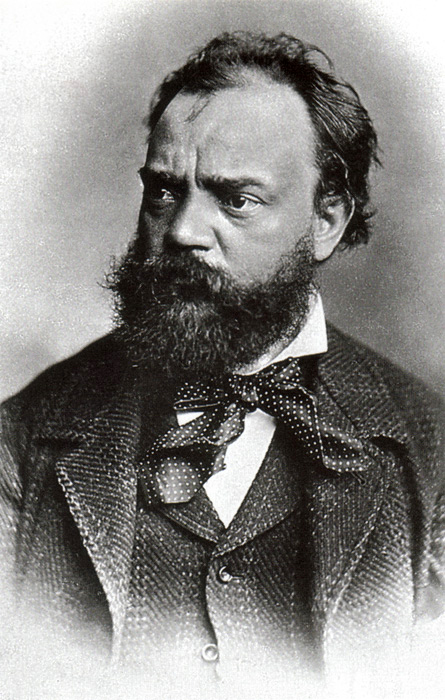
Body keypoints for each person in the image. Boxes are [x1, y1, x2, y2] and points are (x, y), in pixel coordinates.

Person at [0, 31, 443, 697]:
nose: (182, 231)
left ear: (325, 220)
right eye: (163, 192)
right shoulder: (21, 442)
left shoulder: (431, 452)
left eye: (235, 199)